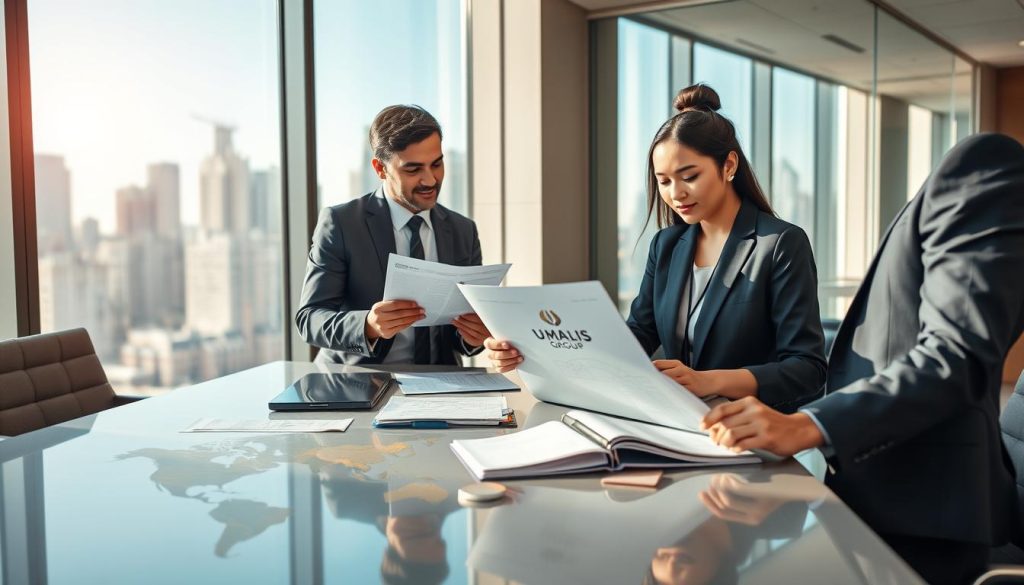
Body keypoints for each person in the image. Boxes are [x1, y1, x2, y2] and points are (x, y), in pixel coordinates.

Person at [700, 132, 1024, 584]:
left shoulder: (985, 161)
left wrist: (805, 425)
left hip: (923, 511)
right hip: (882, 491)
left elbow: (955, 355)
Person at [486, 84, 826, 412]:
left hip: (749, 430)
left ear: (729, 166)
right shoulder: (666, 245)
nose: (675, 193)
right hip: (675, 420)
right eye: (663, 181)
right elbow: (639, 334)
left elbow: (807, 370)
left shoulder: (780, 244)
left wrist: (710, 382)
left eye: (689, 176)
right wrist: (534, 351)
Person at [295, 104, 491, 365]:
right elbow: (309, 318)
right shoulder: (342, 223)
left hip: (441, 384)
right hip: (358, 380)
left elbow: (461, 333)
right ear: (380, 168)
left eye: (437, 164)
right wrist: (368, 325)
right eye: (413, 169)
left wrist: (473, 336)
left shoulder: (463, 230)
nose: (431, 180)